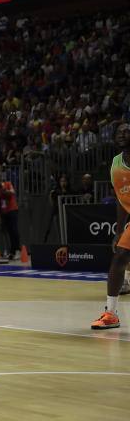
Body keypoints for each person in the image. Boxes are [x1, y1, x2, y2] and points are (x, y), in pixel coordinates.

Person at [91, 123, 130, 329]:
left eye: (126, 131)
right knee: (120, 256)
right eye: (118, 132)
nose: (122, 134)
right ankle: (111, 314)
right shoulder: (116, 163)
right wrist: (119, 230)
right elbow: (121, 199)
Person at [0, 172, 20, 260]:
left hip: (12, 209)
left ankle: (17, 250)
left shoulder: (7, 184)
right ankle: (11, 252)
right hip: (4, 212)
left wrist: (4, 189)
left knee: (14, 230)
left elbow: (12, 192)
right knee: (8, 232)